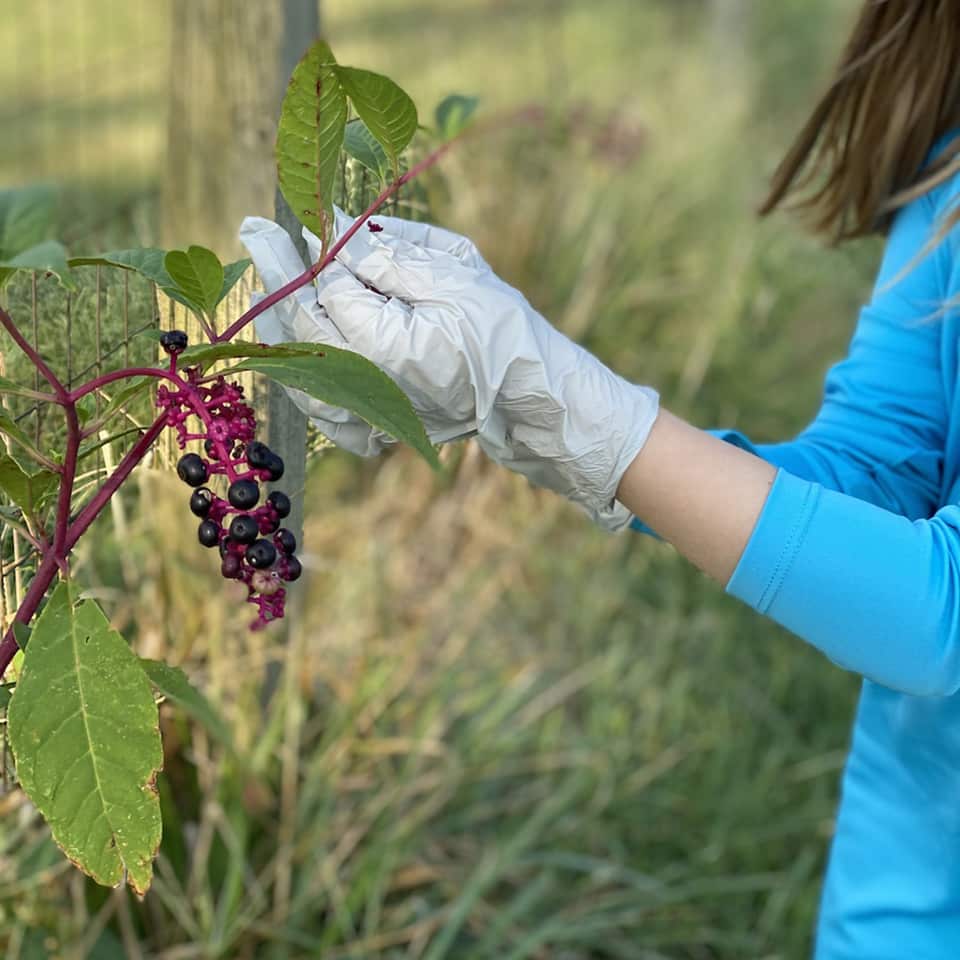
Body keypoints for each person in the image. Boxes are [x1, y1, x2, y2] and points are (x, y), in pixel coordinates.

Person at [241, 4, 960, 955]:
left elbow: (938, 611)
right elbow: (874, 477)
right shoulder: (951, 175)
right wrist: (539, 416)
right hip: (896, 898)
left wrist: (601, 427)